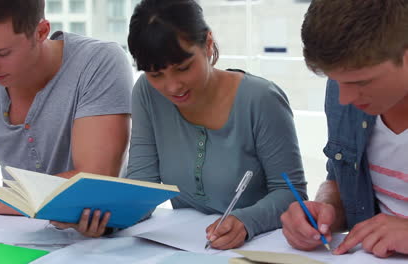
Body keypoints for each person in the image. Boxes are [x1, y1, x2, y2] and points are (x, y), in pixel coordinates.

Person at [0, 0, 132, 238]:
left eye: (2, 53)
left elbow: (93, 183)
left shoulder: (98, 62)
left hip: (105, 241)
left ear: (41, 32)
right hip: (16, 238)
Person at [126, 0, 306, 250]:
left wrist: (245, 222)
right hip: (183, 248)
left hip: (256, 248)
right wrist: (104, 217)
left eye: (184, 68)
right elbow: (141, 185)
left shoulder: (261, 99)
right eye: (156, 75)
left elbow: (291, 194)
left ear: (208, 44)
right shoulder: (147, 93)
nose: (172, 86)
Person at [280, 0, 408, 258]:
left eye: (361, 81)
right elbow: (341, 179)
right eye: (336, 80)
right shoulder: (348, 89)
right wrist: (325, 210)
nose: (344, 99)